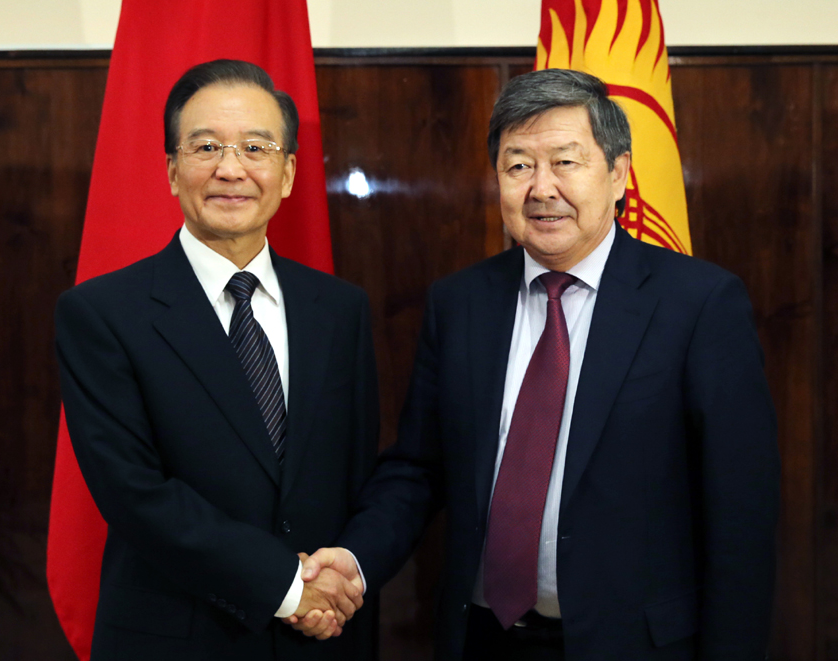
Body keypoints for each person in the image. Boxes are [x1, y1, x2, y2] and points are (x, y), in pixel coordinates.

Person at [296, 69, 780, 660]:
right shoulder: (460, 302)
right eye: (518, 165)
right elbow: (419, 469)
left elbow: (741, 516)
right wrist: (352, 561)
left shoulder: (699, 303)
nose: (541, 188)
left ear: (619, 173)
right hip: (482, 639)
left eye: (565, 163)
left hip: (635, 645)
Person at [55, 59, 379, 661]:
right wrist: (289, 589)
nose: (231, 169)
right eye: (206, 147)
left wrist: (338, 583)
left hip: (323, 639)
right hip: (176, 639)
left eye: (255, 147)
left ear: (287, 173)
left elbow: (355, 476)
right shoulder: (101, 313)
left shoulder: (340, 309)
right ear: (173, 171)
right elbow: (135, 494)